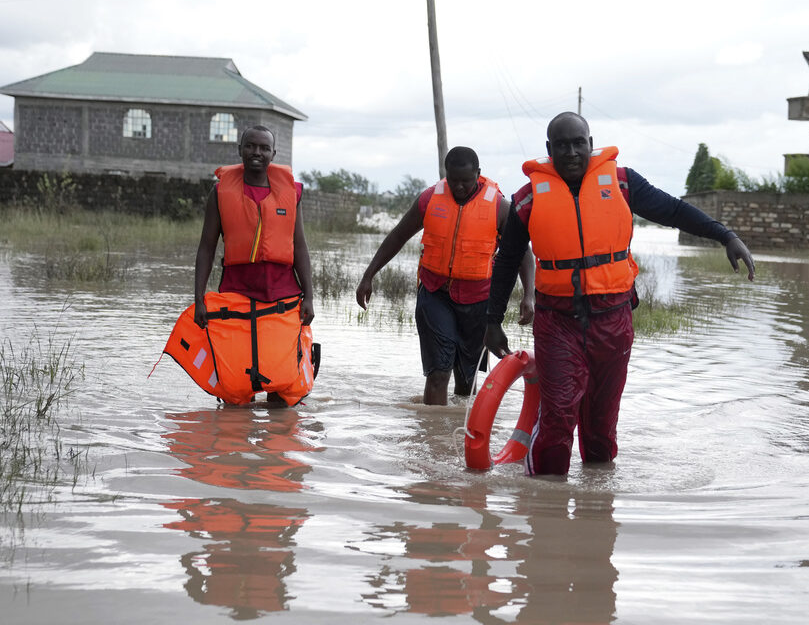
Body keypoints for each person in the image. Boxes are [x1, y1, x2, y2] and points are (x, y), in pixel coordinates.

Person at [485, 112, 755, 476]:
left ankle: (596, 514)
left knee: (600, 426)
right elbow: (506, 263)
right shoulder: (527, 199)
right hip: (557, 322)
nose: (571, 152)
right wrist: (491, 320)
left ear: (591, 145)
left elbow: (674, 210)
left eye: (578, 143)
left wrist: (725, 235)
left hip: (612, 319)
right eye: (561, 145)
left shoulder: (624, 183)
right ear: (549, 151)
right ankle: (545, 511)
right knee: (558, 416)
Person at [356, 146, 534, 405]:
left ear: (478, 174)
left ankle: (456, 437)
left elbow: (522, 254)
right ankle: (432, 439)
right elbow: (398, 236)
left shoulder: (499, 207)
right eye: (453, 181)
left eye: (466, 181)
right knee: (439, 373)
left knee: (466, 381)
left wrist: (529, 294)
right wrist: (368, 275)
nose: (459, 187)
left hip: (479, 302)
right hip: (435, 293)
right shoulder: (429, 199)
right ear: (445, 175)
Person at [192, 125, 315, 403]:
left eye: (263, 148)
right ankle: (236, 444)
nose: (256, 153)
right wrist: (199, 299)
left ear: (273, 153)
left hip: (282, 296)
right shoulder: (220, 193)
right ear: (240, 150)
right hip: (236, 294)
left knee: (281, 387)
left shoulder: (291, 193)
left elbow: (300, 247)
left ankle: (276, 443)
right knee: (236, 390)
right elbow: (206, 247)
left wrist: (309, 296)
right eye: (250, 146)